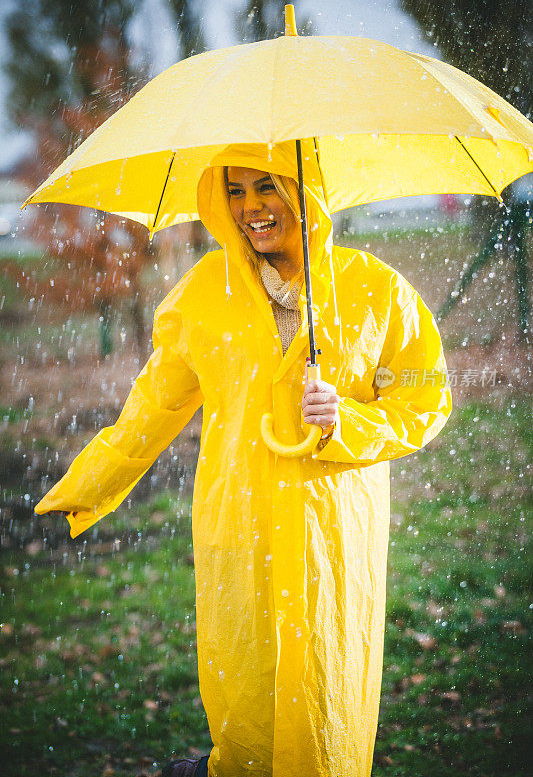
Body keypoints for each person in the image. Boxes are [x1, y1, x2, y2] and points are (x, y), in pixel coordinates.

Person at [35, 140, 452, 777]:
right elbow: (152, 408)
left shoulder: (372, 291)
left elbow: (426, 395)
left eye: (266, 187)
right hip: (241, 526)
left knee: (326, 702)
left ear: (303, 190)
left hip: (332, 534)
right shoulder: (205, 294)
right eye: (233, 191)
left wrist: (350, 419)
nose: (250, 207)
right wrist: (86, 486)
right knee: (248, 701)